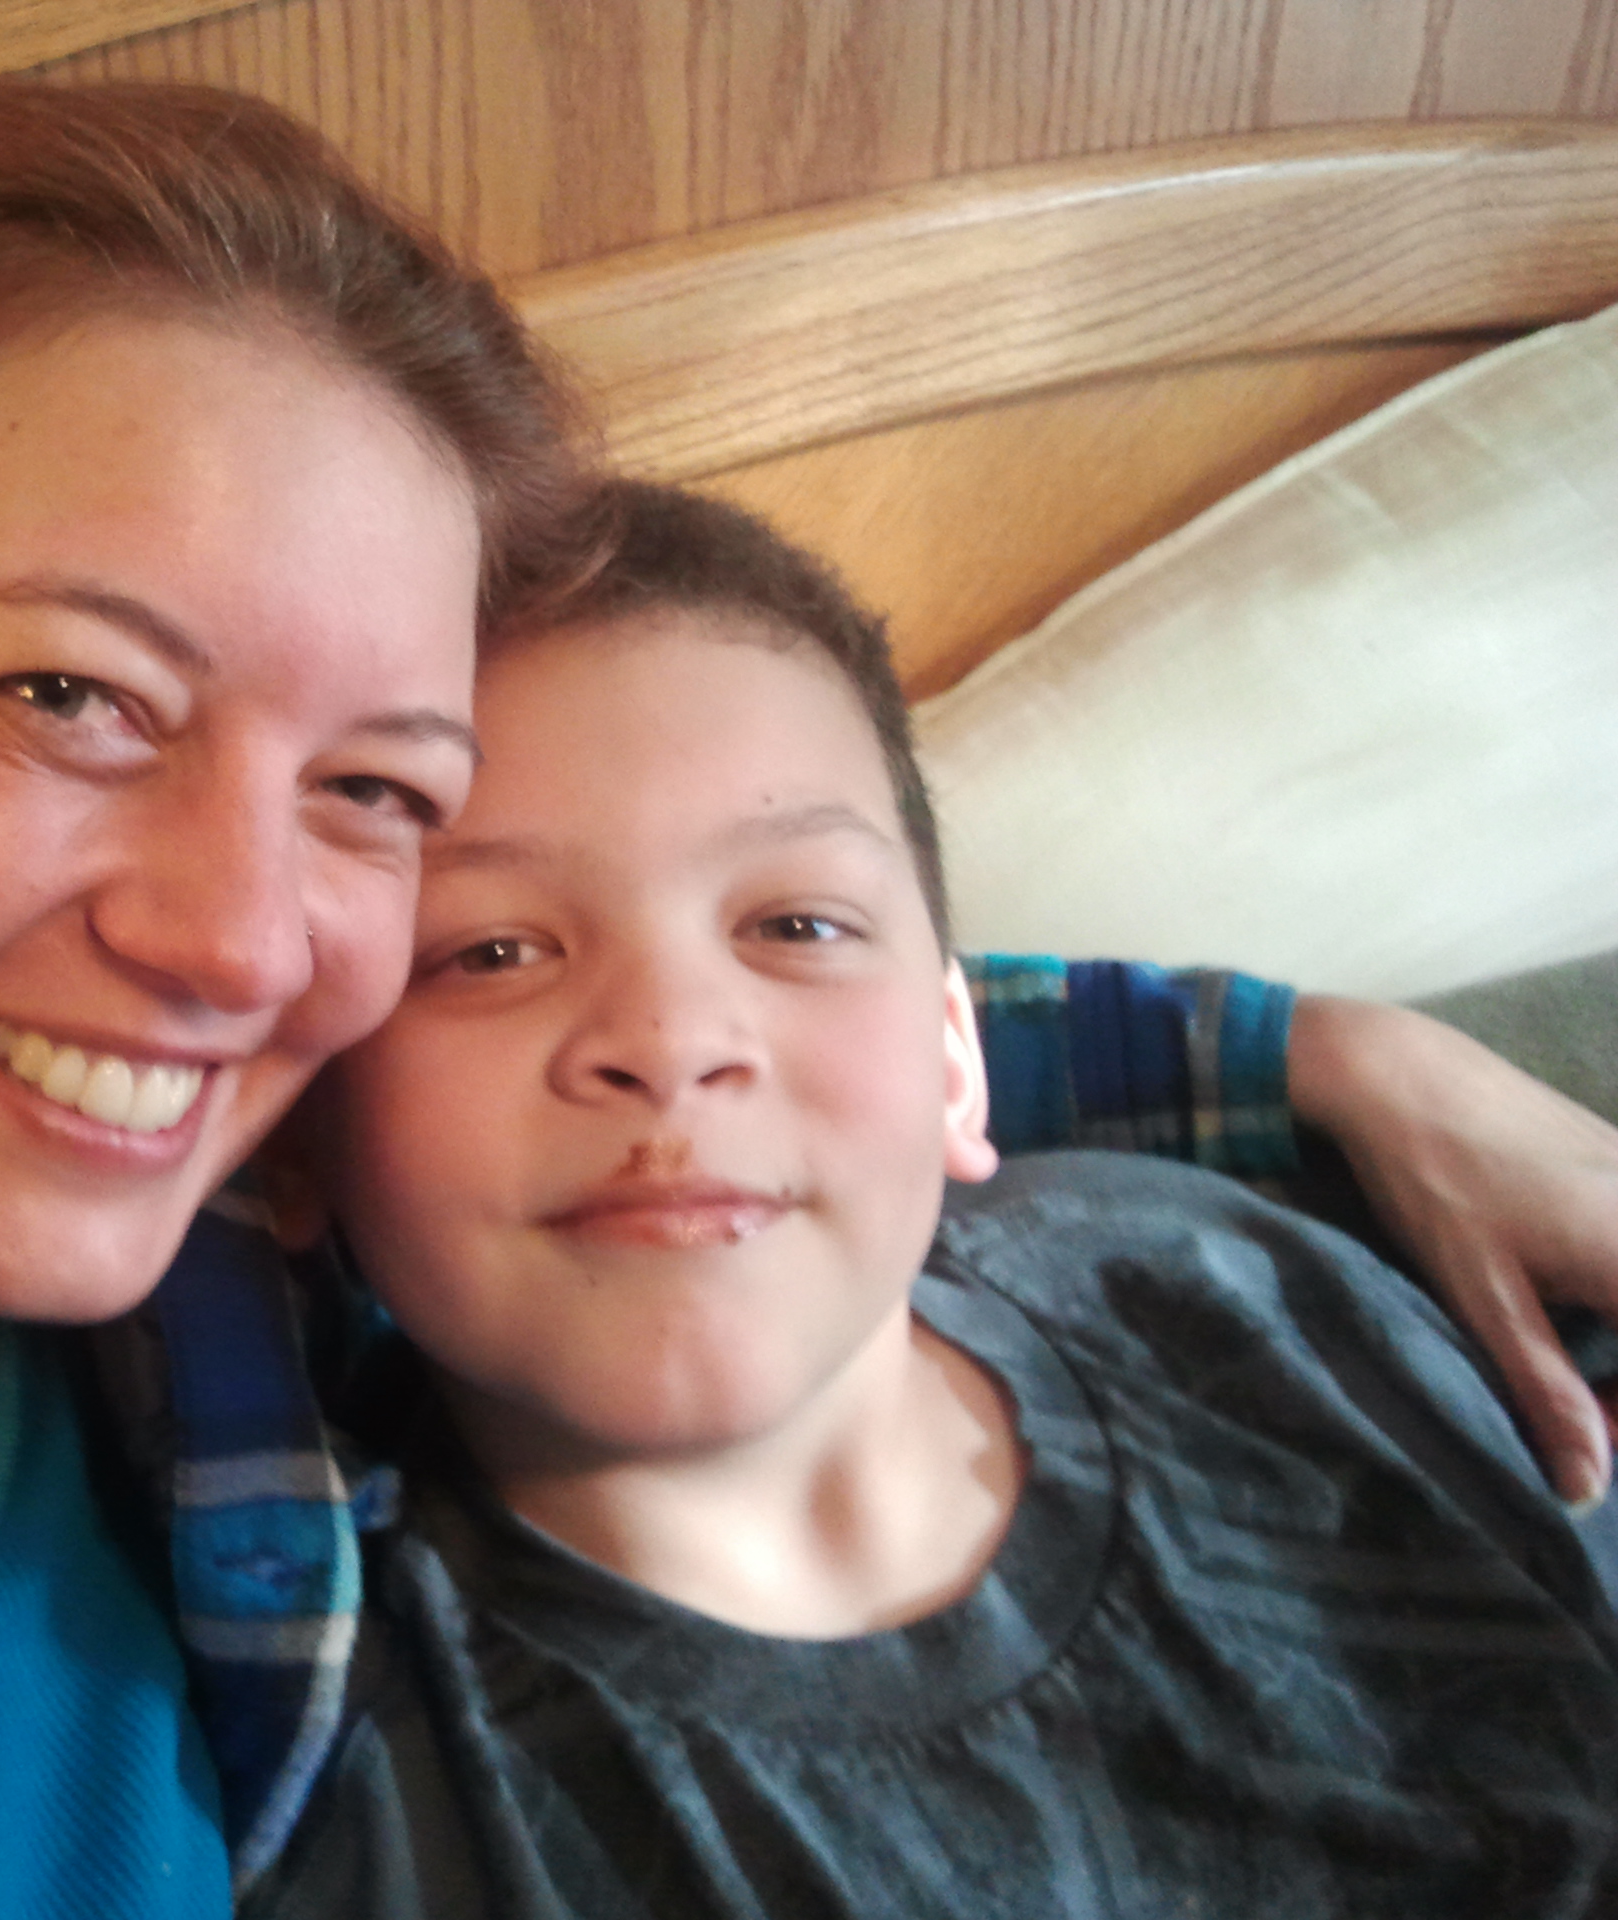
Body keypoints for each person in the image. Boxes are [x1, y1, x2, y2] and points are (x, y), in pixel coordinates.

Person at [0, 81, 1608, 1920]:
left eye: (373, 793)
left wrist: (1320, 1048)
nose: (237, 941)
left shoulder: (217, 1310)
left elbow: (695, 1052)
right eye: (71, 698)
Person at [243, 480, 1618, 1917]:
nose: (670, 1037)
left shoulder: (1239, 1286)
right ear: (296, 1134)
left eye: (797, 924)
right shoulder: (357, 1784)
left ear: (962, 1058)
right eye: (489, 953)